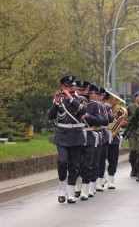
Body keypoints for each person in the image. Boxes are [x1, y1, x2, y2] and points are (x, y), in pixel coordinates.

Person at [48, 75, 87, 204]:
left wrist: (71, 98)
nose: (70, 88)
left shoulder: (79, 99)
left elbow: (83, 112)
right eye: (67, 86)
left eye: (72, 86)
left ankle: (70, 192)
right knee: (62, 161)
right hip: (62, 135)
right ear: (62, 87)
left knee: (74, 165)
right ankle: (62, 189)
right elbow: (51, 116)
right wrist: (57, 102)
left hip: (76, 135)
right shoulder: (59, 100)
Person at [125, 91, 139, 178]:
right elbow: (126, 118)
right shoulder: (130, 107)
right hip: (132, 131)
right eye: (138, 96)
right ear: (135, 97)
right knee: (133, 150)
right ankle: (133, 168)